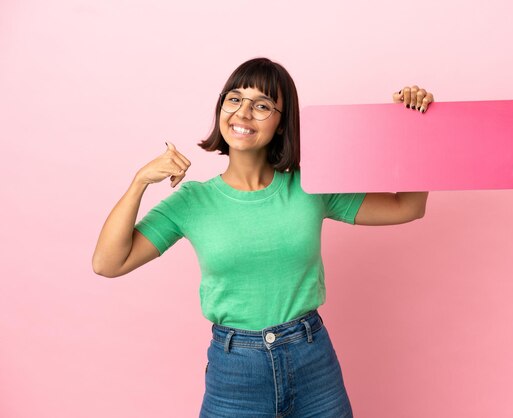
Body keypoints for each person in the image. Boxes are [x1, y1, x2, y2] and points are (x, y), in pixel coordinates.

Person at [92, 57, 433, 418]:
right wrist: (140, 182)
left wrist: (414, 126)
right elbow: (108, 263)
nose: (243, 113)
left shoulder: (310, 186)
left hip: (312, 361)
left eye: (262, 105)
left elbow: (406, 207)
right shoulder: (192, 201)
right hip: (235, 371)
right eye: (234, 99)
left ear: (283, 123)